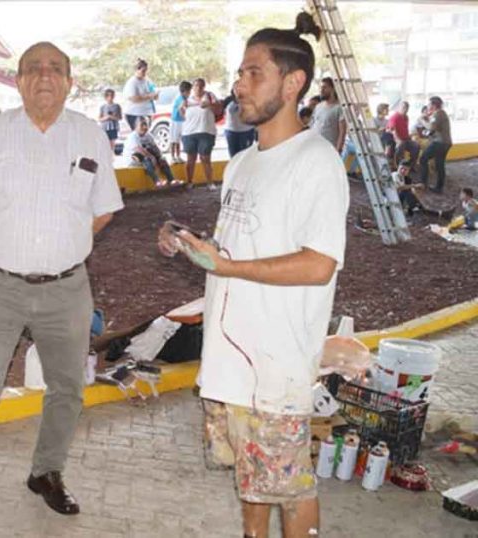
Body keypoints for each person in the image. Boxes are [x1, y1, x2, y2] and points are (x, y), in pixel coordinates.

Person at [158, 13, 348, 538]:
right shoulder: (241, 163)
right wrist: (193, 245)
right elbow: (235, 249)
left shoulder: (316, 162)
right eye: (239, 73)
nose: (238, 85)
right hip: (228, 363)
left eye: (253, 73)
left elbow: (318, 264)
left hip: (275, 366)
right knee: (252, 481)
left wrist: (229, 265)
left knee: (290, 487)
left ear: (293, 84)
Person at [0, 41, 124, 536]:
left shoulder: (90, 136)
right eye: (33, 68)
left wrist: (59, 252)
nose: (44, 76)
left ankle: (46, 472)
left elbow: (104, 210)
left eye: (55, 68)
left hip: (66, 290)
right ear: (18, 80)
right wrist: (1, 253)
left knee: (68, 388)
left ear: (69, 81)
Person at [180, 78, 219, 186]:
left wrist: (209, 105)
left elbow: (219, 110)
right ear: (193, 87)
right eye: (196, 86)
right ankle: (189, 182)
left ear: (204, 87)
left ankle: (210, 182)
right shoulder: (187, 99)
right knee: (190, 159)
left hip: (206, 131)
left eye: (201, 86)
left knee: (205, 158)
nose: (198, 88)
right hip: (189, 132)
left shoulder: (210, 96)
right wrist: (184, 113)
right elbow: (181, 112)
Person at [123, 117, 175, 187]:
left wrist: (159, 157)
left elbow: (156, 148)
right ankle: (157, 181)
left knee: (162, 159)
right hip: (133, 160)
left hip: (144, 159)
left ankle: (172, 180)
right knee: (147, 159)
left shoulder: (149, 135)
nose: (144, 127)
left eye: (146, 124)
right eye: (141, 125)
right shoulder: (133, 136)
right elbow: (139, 150)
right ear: (136, 127)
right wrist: (152, 157)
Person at [420, 96, 452, 193]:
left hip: (440, 143)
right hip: (445, 143)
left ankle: (423, 183)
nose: (428, 106)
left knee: (423, 159)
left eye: (429, 104)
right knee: (439, 165)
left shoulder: (438, 114)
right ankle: (439, 188)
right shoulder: (440, 114)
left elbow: (431, 127)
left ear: (434, 105)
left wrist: (422, 120)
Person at [311, 77, 346, 154]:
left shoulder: (339, 108)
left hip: (329, 151)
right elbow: (313, 125)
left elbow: (342, 132)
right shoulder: (318, 106)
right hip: (315, 149)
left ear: (332, 89)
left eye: (325, 87)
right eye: (321, 88)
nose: (321, 90)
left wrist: (338, 150)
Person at [121, 58, 157, 130]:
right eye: (143, 71)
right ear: (137, 70)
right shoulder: (132, 82)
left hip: (147, 112)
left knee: (145, 135)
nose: (145, 73)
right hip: (135, 113)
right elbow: (133, 98)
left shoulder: (147, 81)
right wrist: (148, 96)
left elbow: (152, 90)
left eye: (146, 71)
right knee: (139, 134)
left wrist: (155, 95)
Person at [223, 85, 256, 157]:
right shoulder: (228, 100)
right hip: (231, 131)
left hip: (246, 131)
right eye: (236, 88)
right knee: (233, 154)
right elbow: (219, 111)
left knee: (245, 155)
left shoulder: (251, 99)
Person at [387, 101, 419, 172]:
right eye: (404, 108)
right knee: (401, 146)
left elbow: (405, 129)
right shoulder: (394, 117)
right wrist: (398, 140)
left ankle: (410, 165)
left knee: (416, 146)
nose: (405, 110)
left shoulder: (406, 117)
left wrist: (410, 137)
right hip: (397, 140)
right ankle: (398, 167)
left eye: (407, 108)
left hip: (406, 139)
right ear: (399, 107)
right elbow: (392, 130)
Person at [169, 81, 191, 164]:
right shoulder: (180, 99)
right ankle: (172, 157)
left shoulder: (184, 99)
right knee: (173, 140)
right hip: (175, 121)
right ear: (184, 91)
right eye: (188, 91)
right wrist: (185, 118)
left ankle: (178, 156)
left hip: (180, 122)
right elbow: (181, 109)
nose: (189, 93)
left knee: (178, 140)